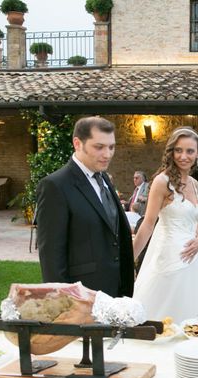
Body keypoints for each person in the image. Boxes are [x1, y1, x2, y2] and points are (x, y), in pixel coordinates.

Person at [36, 116, 134, 297]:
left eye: (111, 147)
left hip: (116, 291)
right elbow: (51, 257)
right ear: (77, 143)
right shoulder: (55, 186)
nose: (108, 154)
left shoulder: (103, 178)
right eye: (99, 147)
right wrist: (66, 303)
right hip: (82, 295)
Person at [132, 127, 198, 323]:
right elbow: (148, 224)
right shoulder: (162, 181)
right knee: (162, 313)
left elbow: (193, 220)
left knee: (192, 311)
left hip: (192, 258)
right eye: (178, 150)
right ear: (171, 152)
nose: (183, 156)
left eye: (189, 151)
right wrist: (129, 260)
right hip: (168, 257)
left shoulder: (194, 184)